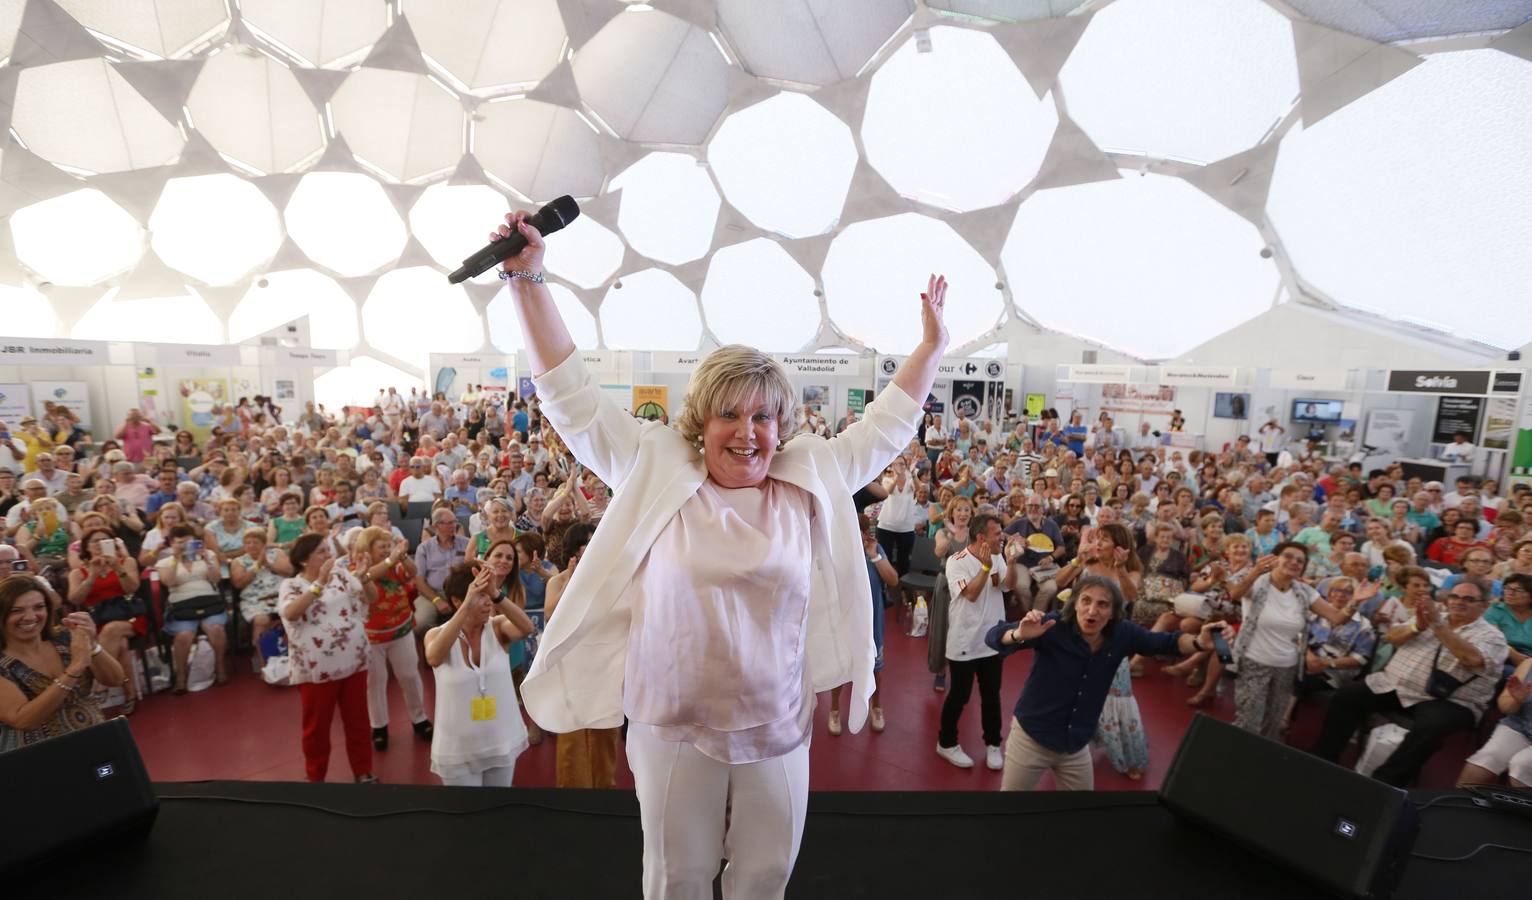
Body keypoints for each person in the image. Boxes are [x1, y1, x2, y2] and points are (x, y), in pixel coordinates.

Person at [497, 208, 946, 898]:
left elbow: (885, 426)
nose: (747, 433)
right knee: (678, 876)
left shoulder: (810, 478)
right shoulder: (657, 469)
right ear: (700, 422)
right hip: (672, 722)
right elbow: (572, 399)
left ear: (783, 425)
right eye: (730, 414)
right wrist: (528, 280)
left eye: (763, 415)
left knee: (766, 872)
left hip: (778, 720)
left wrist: (933, 346)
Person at [986, 575, 1226, 790]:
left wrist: (1199, 642)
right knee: (1010, 806)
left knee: (1079, 815)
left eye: (1102, 604)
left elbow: (1166, 642)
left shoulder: (1122, 633)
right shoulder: (1053, 626)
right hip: (1032, 739)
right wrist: (1017, 634)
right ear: (1075, 604)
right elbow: (994, 637)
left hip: (1075, 745)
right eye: (1086, 601)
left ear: (1113, 612)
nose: (1092, 610)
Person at [1311, 573, 1508, 786]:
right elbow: (1390, 637)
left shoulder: (1492, 637)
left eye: (1468, 599)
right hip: (1396, 685)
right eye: (1454, 596)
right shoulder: (1430, 616)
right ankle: (1324, 760)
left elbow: (1471, 659)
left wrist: (1437, 625)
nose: (1458, 602)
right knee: (1348, 695)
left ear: (1485, 606)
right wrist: (1418, 627)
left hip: (1449, 701)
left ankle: (1383, 784)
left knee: (1431, 727)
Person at [279, 532, 376, 783]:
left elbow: (372, 598)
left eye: (328, 549)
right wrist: (318, 584)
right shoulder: (291, 586)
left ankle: (363, 771)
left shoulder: (342, 576)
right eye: (321, 552)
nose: (329, 555)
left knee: (358, 722)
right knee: (317, 728)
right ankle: (316, 778)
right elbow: (290, 613)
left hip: (354, 662)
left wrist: (364, 576)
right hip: (317, 670)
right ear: (303, 561)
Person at [0, 574, 126, 751]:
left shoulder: (64, 637)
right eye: (16, 610)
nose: (30, 617)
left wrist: (93, 645)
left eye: (39, 607)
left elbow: (116, 679)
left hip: (96, 742)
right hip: (37, 759)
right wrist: (75, 668)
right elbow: (23, 719)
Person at [937, 513, 1021, 770]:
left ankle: (993, 744)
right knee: (960, 695)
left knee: (991, 696)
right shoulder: (956, 561)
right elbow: (971, 594)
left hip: (992, 640)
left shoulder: (998, 556)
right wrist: (985, 568)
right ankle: (946, 743)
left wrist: (1012, 561)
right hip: (964, 640)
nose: (1002, 536)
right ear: (982, 537)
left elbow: (1009, 586)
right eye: (998, 533)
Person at [65, 532, 142, 713]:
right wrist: (92, 575)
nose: (100, 544)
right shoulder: (78, 572)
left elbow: (132, 588)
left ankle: (100, 684)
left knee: (113, 629)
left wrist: (117, 567)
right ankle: (129, 694)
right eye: (95, 541)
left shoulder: (126, 562)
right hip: (99, 620)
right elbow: (75, 598)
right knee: (120, 644)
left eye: (105, 540)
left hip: (130, 616)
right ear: (86, 546)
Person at [157, 525, 230, 692]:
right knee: (184, 635)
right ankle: (181, 676)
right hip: (182, 605)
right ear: (172, 544)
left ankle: (220, 665)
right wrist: (176, 559)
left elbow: (217, 579)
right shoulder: (165, 562)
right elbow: (168, 582)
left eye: (188, 542)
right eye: (180, 543)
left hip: (209, 601)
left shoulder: (208, 555)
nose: (184, 546)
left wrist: (206, 560)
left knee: (216, 628)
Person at [1458, 657, 1532, 789]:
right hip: (1520, 724)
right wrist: (1517, 700)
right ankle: (1459, 804)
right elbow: (1504, 707)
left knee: (1522, 765)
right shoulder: (1529, 663)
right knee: (1487, 757)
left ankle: (1513, 808)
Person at [229, 528, 291, 668]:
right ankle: (263, 662)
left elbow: (289, 571)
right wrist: (257, 566)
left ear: (264, 544)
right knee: (261, 620)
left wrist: (268, 564)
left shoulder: (277, 553)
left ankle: (296, 656)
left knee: (294, 613)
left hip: (280, 597)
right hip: (255, 601)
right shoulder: (238, 561)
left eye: (255, 542)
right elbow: (239, 583)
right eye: (248, 543)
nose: (251, 545)